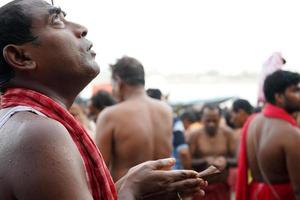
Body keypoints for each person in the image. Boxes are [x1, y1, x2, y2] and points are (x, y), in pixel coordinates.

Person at [0, 1, 207, 199]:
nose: (82, 28)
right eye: (56, 22)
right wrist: (132, 189)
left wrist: (126, 188)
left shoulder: (21, 124)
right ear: (21, 57)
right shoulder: (37, 133)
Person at [95, 56, 174, 181]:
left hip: (131, 194)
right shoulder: (166, 110)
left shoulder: (110, 115)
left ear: (118, 81)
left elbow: (98, 169)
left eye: (112, 85)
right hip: (165, 191)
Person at [236, 70, 300, 200]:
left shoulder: (252, 121)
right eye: (295, 91)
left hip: (256, 193)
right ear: (279, 97)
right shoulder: (291, 133)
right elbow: (298, 189)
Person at [188, 104, 236, 200]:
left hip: (222, 187)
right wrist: (205, 160)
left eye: (215, 120)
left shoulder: (228, 133)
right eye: (208, 120)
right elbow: (189, 162)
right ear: (202, 119)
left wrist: (225, 161)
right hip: (201, 188)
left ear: (220, 118)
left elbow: (236, 160)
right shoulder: (194, 135)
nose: (211, 124)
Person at [146, 87, 191, 169]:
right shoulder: (173, 120)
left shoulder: (139, 122)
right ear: (161, 100)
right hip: (170, 172)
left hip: (144, 172)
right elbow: (183, 152)